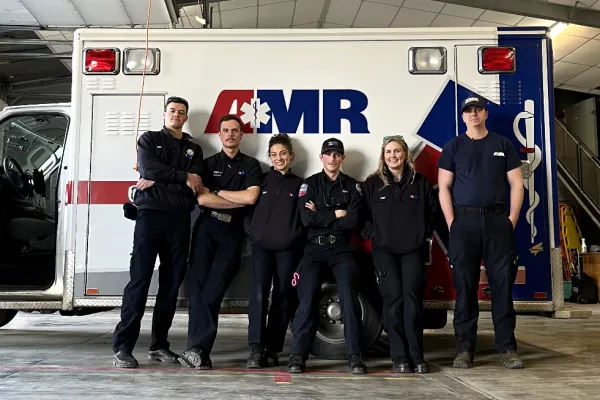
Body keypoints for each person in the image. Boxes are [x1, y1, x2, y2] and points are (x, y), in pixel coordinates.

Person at [112, 96, 204, 368]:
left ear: (186, 118)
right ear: (165, 114)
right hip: (149, 218)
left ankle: (159, 346)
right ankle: (123, 348)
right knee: (139, 283)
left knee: (170, 287)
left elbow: (195, 185)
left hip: (179, 221)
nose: (177, 115)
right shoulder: (149, 140)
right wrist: (181, 176)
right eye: (173, 111)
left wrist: (160, 180)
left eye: (181, 112)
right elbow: (149, 168)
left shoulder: (194, 150)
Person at [437, 95, 525, 369]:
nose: (473, 114)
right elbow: (444, 188)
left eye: (478, 110)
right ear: (463, 117)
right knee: (465, 289)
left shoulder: (503, 144)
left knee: (501, 287)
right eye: (468, 111)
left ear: (485, 114)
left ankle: (507, 349)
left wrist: (510, 220)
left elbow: (517, 185)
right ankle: (464, 349)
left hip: (498, 223)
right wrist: (452, 222)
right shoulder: (453, 147)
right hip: (464, 224)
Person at [179, 114, 262, 370]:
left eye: (234, 130)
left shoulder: (251, 165)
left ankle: (197, 349)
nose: (230, 134)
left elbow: (251, 199)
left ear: (241, 135)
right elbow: (202, 200)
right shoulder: (207, 163)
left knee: (213, 291)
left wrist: (221, 193)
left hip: (233, 232)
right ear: (219, 134)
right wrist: (235, 199)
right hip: (206, 228)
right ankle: (197, 351)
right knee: (198, 292)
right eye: (225, 130)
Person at [287, 138, 367, 375]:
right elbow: (306, 220)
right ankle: (297, 357)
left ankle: (354, 356)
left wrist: (321, 214)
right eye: (328, 154)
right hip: (313, 250)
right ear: (321, 158)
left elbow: (352, 221)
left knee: (348, 297)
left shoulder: (353, 187)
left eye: (337, 154)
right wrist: (336, 213)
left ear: (342, 158)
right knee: (307, 298)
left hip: (341, 250)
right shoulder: (309, 185)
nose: (332, 158)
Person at [361, 135, 438, 374]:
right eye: (388, 152)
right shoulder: (372, 184)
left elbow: (433, 213)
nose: (393, 156)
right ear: (383, 157)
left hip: (413, 252)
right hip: (385, 253)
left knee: (413, 303)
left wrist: (421, 233)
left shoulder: (421, 183)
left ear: (405, 155)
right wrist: (375, 235)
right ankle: (399, 356)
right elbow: (360, 216)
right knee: (393, 302)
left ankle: (417, 355)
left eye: (397, 151)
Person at [245, 133, 304, 369]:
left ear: (291, 155)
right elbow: (247, 210)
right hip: (261, 248)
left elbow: (304, 217)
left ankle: (272, 349)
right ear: (269, 157)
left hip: (288, 250)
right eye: (274, 154)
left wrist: (294, 237)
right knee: (258, 295)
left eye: (283, 153)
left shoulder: (300, 184)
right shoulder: (260, 181)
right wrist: (253, 232)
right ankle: (256, 349)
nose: (279, 158)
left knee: (282, 297)